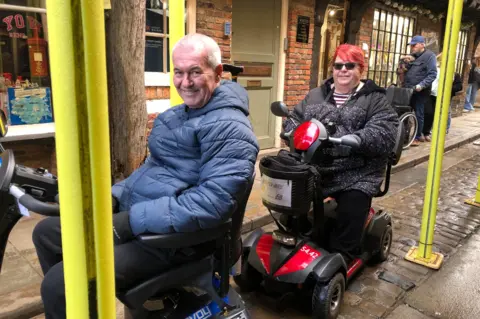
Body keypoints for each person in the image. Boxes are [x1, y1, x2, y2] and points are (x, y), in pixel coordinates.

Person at [32, 33, 259, 318]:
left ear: (217, 73)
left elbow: (210, 204)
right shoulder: (176, 116)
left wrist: (128, 222)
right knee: (48, 233)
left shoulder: (232, 130)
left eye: (195, 72)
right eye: (178, 72)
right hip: (150, 222)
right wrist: (113, 199)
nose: (185, 83)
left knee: (59, 285)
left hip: (178, 241)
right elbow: (150, 171)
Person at [283, 44, 398, 264]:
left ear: (360, 69)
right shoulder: (316, 95)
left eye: (350, 65)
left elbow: (385, 129)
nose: (343, 70)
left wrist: (360, 139)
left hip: (358, 170)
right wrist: (290, 131)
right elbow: (295, 118)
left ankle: (342, 255)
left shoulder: (374, 99)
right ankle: (295, 240)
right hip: (316, 165)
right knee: (290, 191)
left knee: (353, 203)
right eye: (338, 65)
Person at [403, 35, 437, 146]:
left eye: (414, 45)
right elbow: (403, 71)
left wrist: (421, 85)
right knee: (406, 112)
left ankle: (417, 137)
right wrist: (403, 63)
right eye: (411, 45)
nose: (412, 47)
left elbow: (432, 74)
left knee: (418, 113)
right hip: (407, 89)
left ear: (422, 44)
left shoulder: (429, 56)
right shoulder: (411, 56)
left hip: (420, 91)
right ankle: (404, 136)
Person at [424, 53, 463, 139]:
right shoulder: (436, 70)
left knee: (445, 112)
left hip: (445, 96)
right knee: (431, 112)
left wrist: (449, 88)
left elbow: (459, 86)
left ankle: (445, 128)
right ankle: (429, 130)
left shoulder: (454, 74)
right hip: (433, 94)